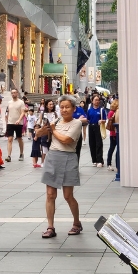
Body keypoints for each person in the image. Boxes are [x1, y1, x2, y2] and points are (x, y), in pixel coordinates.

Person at [41, 95, 83, 238]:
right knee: (50, 195)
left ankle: (77, 223)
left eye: (67, 107)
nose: (64, 110)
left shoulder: (77, 123)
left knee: (68, 196)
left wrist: (53, 130)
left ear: (73, 108)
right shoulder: (56, 121)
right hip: (53, 157)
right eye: (62, 107)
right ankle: (50, 227)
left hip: (68, 157)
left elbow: (66, 140)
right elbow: (38, 133)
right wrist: (43, 128)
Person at [4, 89, 27, 162]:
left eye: (14, 93)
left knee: (19, 138)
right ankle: (9, 156)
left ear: (17, 93)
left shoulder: (21, 102)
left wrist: (19, 120)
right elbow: (7, 112)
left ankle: (21, 153)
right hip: (10, 123)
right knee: (10, 139)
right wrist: (6, 120)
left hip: (18, 123)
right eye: (12, 93)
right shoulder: (9, 102)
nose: (13, 94)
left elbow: (23, 112)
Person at [106, 99, 119, 172]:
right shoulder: (114, 112)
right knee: (114, 149)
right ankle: (114, 164)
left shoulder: (111, 112)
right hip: (115, 133)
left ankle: (109, 164)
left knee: (112, 149)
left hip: (112, 133)